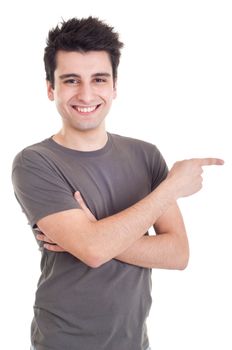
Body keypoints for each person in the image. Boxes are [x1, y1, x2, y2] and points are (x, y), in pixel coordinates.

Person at [12, 16, 223, 350]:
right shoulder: (35, 162)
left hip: (133, 341)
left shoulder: (146, 155)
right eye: (70, 80)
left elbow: (177, 253)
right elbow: (94, 251)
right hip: (62, 342)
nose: (86, 93)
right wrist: (170, 187)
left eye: (98, 79)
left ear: (114, 86)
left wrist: (92, 236)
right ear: (50, 88)